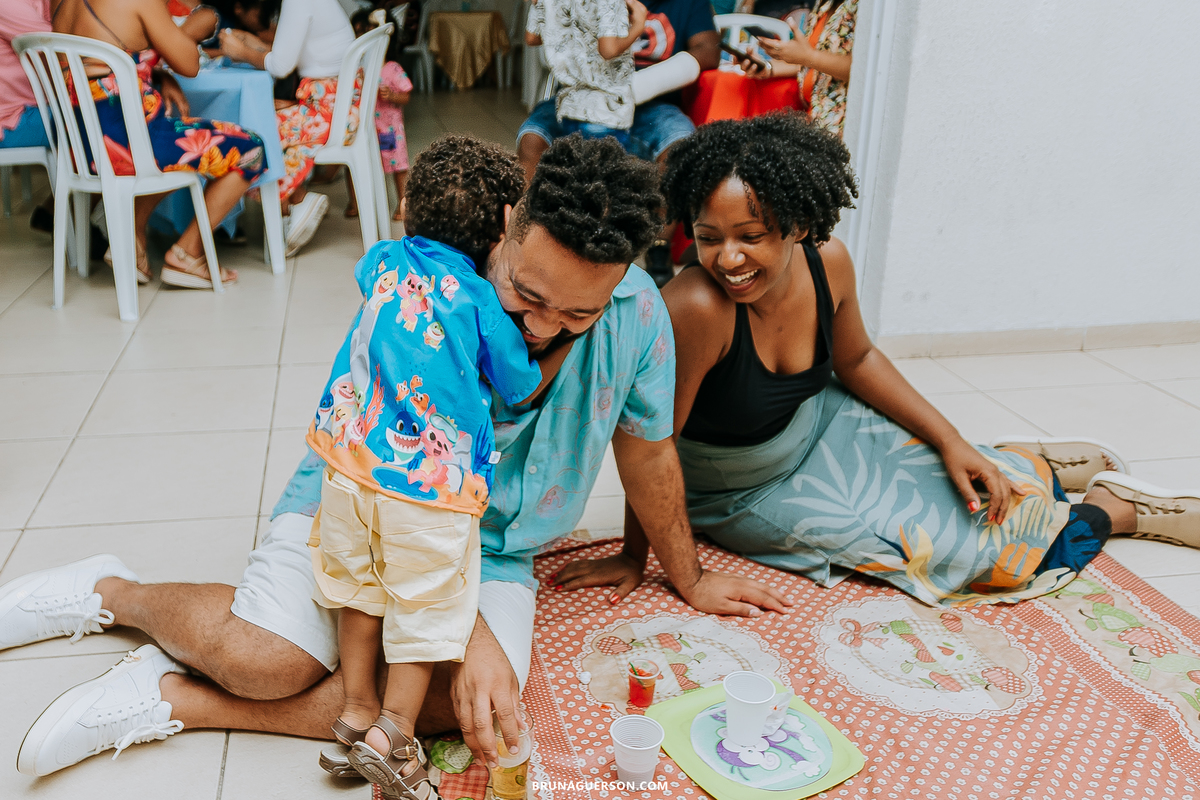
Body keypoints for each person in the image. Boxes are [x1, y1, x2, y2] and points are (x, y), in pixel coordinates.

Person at [3, 134, 789, 781]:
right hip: (360, 495)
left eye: (577, 312)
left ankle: (177, 699)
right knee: (263, 660)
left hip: (496, 551)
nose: (544, 327)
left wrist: (683, 573)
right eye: (527, 296)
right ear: (508, 227)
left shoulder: (640, 317)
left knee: (469, 701)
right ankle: (111, 591)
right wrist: (467, 626)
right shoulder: (432, 282)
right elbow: (381, 453)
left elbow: (648, 453)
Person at [551, 113, 1200, 612]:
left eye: (752, 236)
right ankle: (1119, 509)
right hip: (742, 484)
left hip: (821, 423)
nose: (728, 258)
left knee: (973, 478)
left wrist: (946, 440)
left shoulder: (827, 261)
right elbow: (649, 443)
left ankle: (1027, 459)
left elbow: (857, 358)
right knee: (965, 553)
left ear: (799, 225)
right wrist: (650, 561)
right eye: (710, 236)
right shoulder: (696, 306)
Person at [307, 135, 565, 799]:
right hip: (425, 489)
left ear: (406, 211)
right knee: (425, 612)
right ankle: (393, 732)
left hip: (348, 466)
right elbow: (517, 383)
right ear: (508, 223)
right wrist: (558, 349)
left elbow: (372, 286)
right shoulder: (480, 300)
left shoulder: (383, 260)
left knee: (360, 590)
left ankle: (357, 706)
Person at [51, 0, 267, 287]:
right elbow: (189, 64)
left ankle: (133, 238)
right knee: (250, 149)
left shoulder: (60, 3)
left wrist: (158, 74)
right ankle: (187, 253)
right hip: (127, 145)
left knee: (178, 138)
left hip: (80, 146)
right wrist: (193, 28)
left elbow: (109, 57)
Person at [518, 0, 718, 287]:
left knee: (680, 146)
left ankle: (658, 249)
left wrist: (637, 87)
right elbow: (539, 37)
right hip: (581, 96)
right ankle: (530, 238)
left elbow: (708, 50)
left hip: (652, 105)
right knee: (532, 139)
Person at [217, 0, 354, 256]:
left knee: (252, 134)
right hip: (338, 102)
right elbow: (288, 53)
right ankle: (293, 204)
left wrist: (242, 52)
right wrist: (250, 42)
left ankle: (298, 201)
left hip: (329, 111)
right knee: (264, 119)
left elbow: (281, 66)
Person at [524, 0, 645, 148]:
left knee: (575, 166)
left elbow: (532, 38)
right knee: (603, 169)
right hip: (606, 109)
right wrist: (638, 26)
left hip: (570, 106)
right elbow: (608, 50)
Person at [747, 0, 855, 136]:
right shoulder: (825, 4)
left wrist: (809, 56)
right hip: (813, 119)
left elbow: (861, 67)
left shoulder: (865, 8)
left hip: (841, 128)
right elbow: (814, 61)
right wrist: (767, 67)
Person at [346, 8, 410, 222]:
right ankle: (355, 203)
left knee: (398, 166)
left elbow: (406, 96)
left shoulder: (392, 69)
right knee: (355, 163)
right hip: (365, 128)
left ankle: (403, 203)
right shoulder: (357, 68)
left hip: (390, 129)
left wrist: (392, 95)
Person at [0, 0, 52, 151]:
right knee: (101, 118)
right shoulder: (8, 4)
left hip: (32, 110)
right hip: (13, 121)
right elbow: (56, 46)